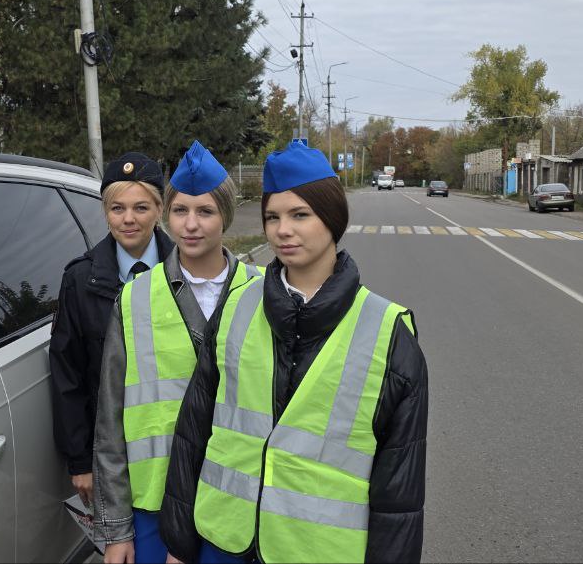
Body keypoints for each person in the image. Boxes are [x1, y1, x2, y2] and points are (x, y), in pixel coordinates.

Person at [160, 141, 429, 563]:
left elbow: (400, 491)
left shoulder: (388, 333)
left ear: (332, 218)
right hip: (223, 543)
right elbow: (193, 430)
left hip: (317, 552)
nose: (283, 230)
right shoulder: (235, 307)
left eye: (300, 214)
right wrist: (178, 543)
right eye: (273, 217)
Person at [94, 141, 261, 564]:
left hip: (235, 507)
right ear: (167, 215)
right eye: (180, 211)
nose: (190, 225)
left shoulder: (261, 296)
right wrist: (116, 530)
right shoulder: (133, 299)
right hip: (154, 506)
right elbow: (110, 423)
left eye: (205, 211)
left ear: (226, 215)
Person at [51, 153, 175, 507]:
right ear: (106, 212)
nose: (129, 219)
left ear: (158, 209)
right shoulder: (79, 280)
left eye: (141, 208)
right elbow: (68, 375)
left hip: (176, 443)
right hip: (112, 449)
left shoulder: (185, 271)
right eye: (117, 208)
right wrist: (80, 460)